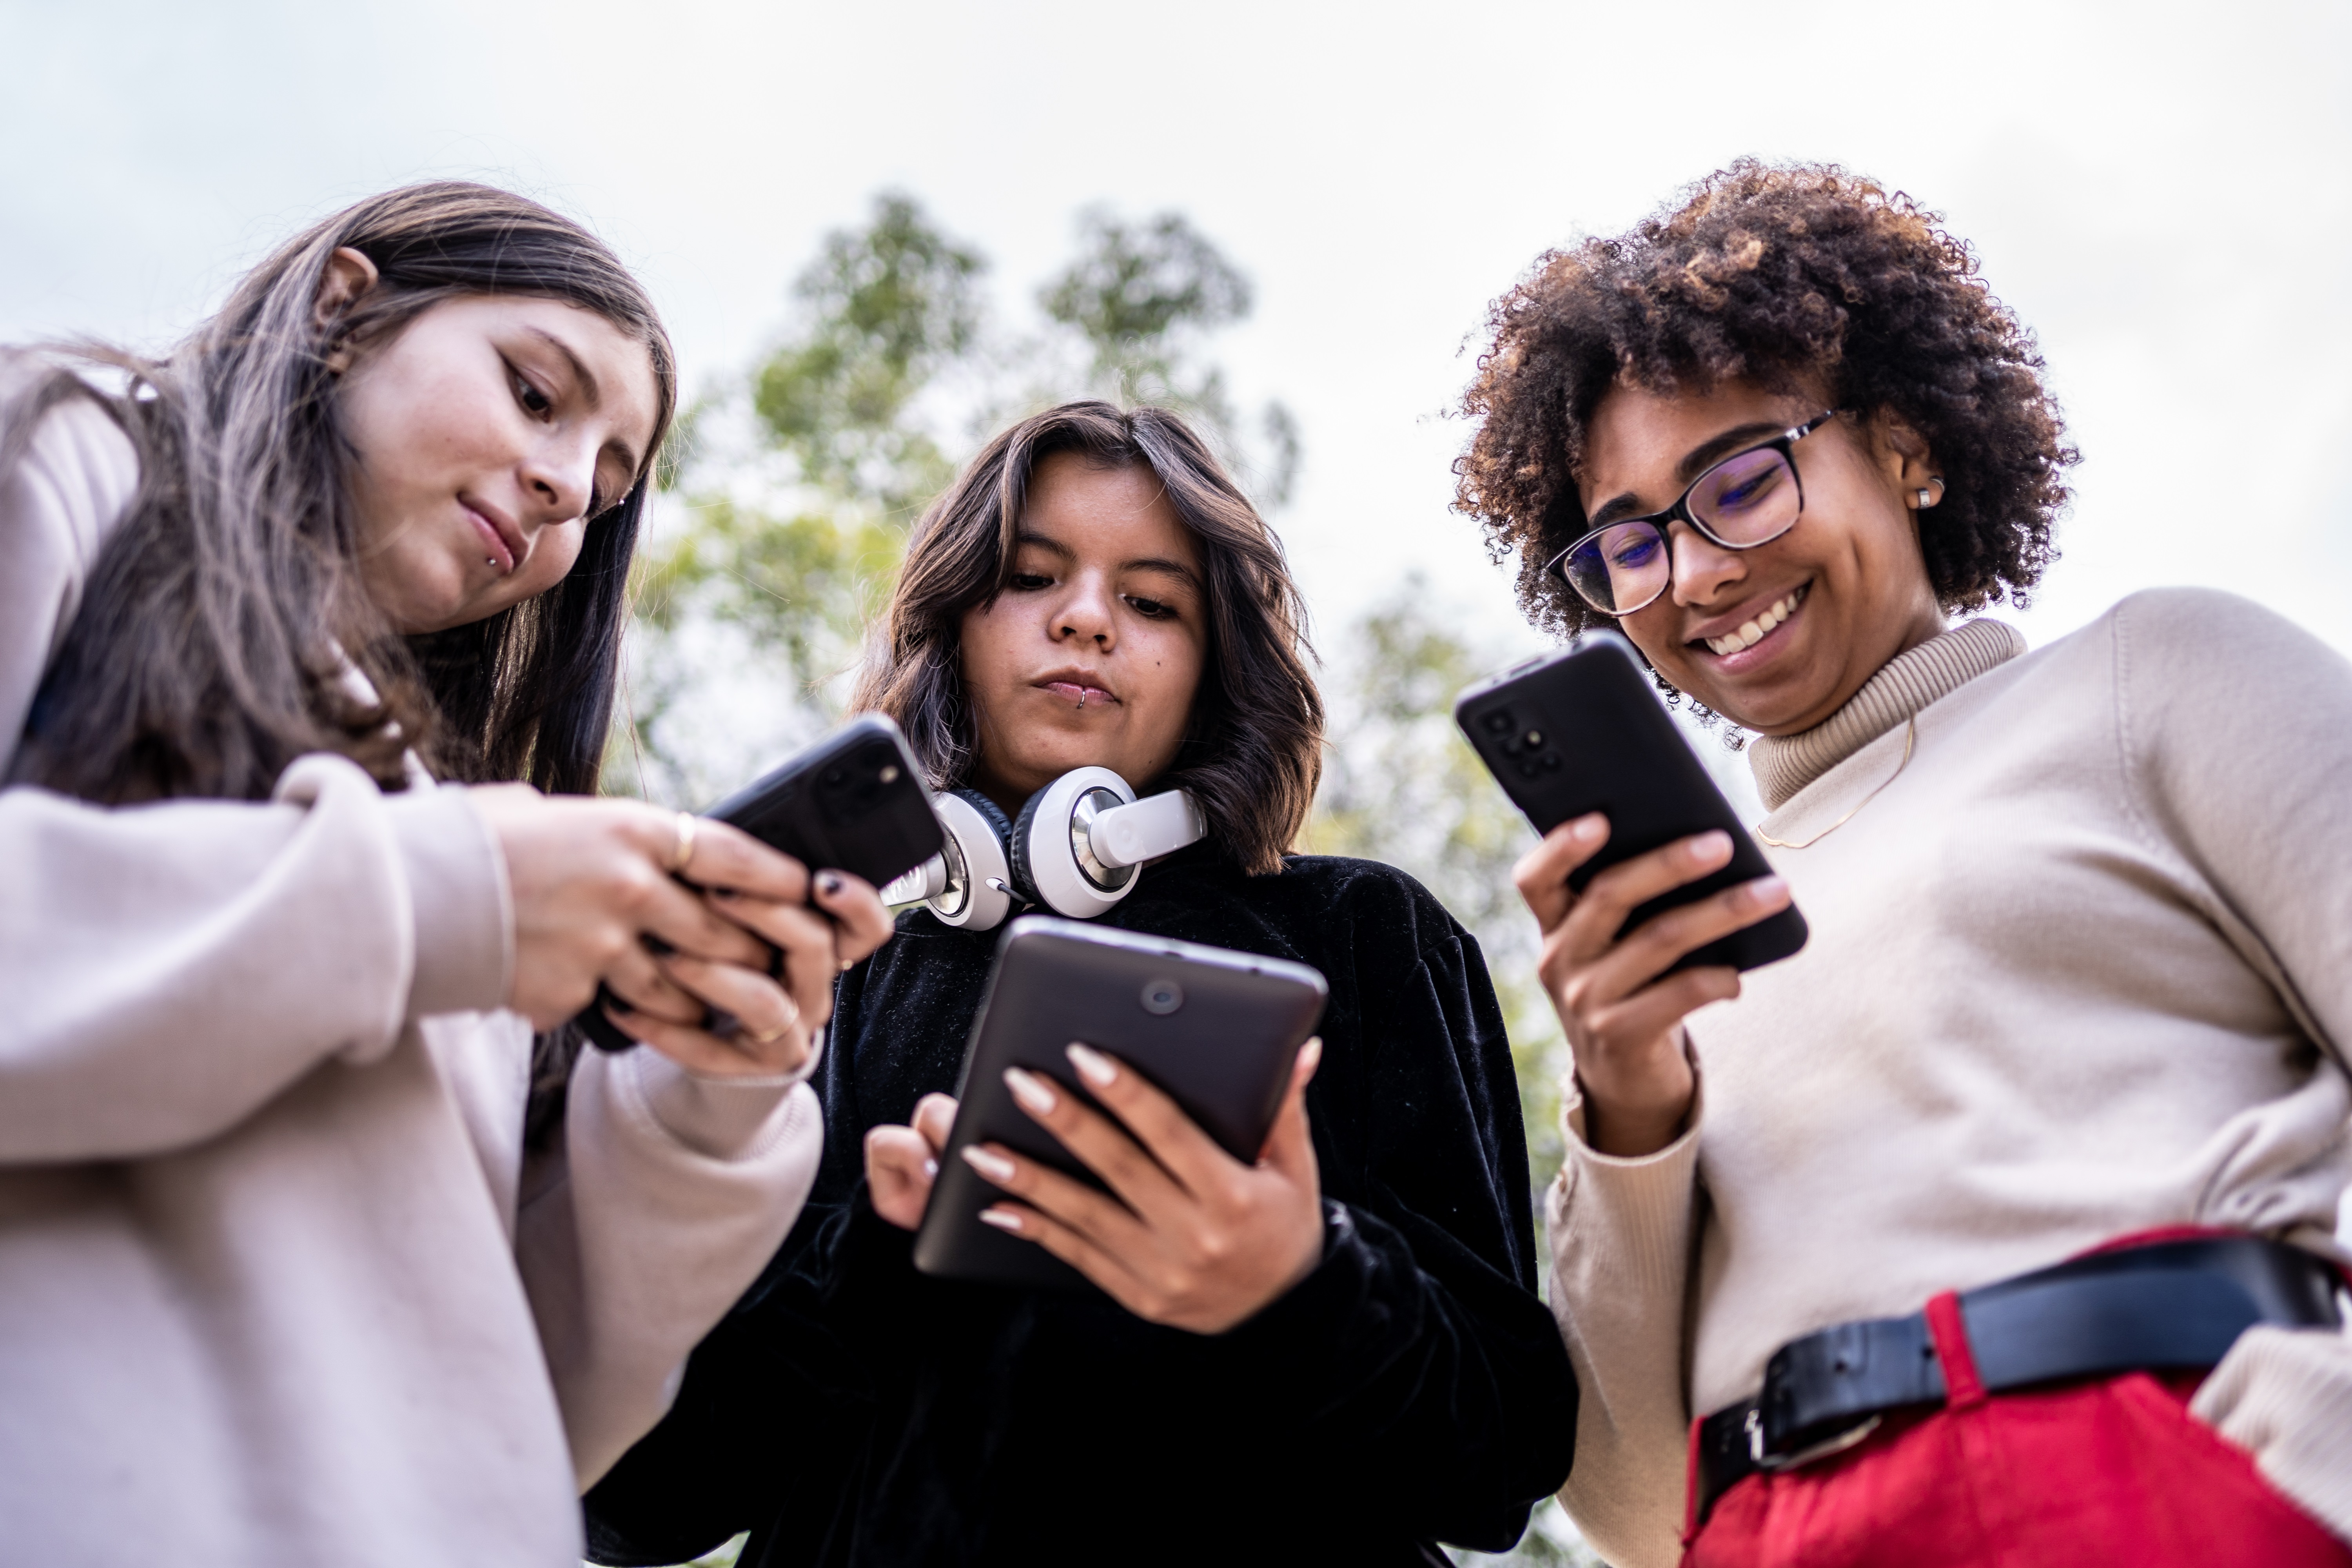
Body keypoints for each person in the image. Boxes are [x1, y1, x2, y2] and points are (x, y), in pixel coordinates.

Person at [1454, 160, 2352, 1567]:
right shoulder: (1672, 942)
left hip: (2153, 1471)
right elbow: (1630, 1510)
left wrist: (2308, 1453)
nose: (1690, 576)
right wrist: (1631, 1107)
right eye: (1627, 545)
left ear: (1907, 445)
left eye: (1739, 481)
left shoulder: (2161, 674)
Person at [0, 182, 893, 1566]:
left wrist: (697, 1110)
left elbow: (518, 1390)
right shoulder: (66, 452)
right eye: (539, 395)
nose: (562, 492)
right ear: (346, 310)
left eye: (606, 484)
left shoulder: (460, 822)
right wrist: (433, 900)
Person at [584, 401, 1579, 1567]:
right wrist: (873, 1256)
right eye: (1031, 577)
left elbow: (1502, 1456)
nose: (1087, 619)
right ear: (952, 624)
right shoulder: (823, 981)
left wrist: (1303, 1280)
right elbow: (642, 1504)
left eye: (1154, 602)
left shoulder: (1366, 933)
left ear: (1216, 669)